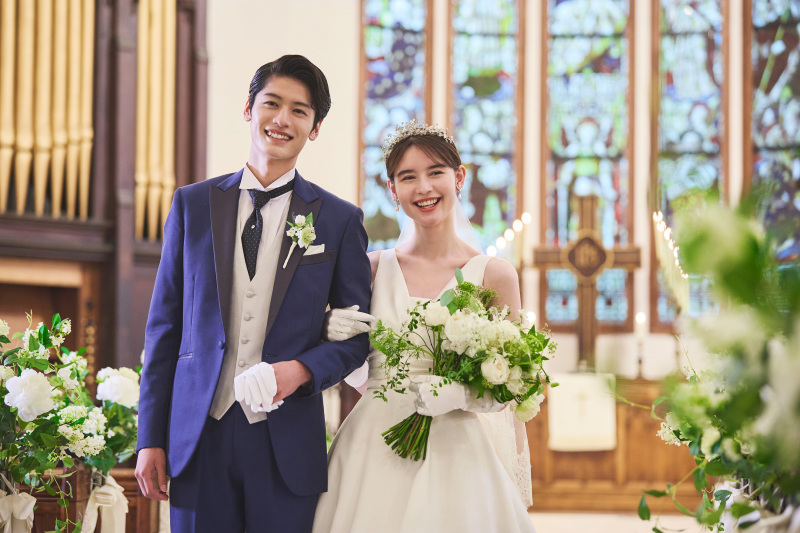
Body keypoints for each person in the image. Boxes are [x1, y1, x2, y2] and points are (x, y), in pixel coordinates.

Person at [134, 54, 372, 533]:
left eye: (299, 111)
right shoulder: (192, 205)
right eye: (272, 103)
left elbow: (356, 338)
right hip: (199, 435)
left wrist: (301, 370)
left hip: (286, 443)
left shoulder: (340, 220)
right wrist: (149, 438)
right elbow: (164, 329)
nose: (282, 119)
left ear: (315, 128)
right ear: (248, 109)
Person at [312, 120, 536, 533]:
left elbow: (515, 381)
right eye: (408, 177)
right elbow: (341, 354)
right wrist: (324, 325)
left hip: (459, 449)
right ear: (392, 189)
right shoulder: (371, 268)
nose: (424, 187)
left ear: (459, 177)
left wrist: (461, 393)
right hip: (372, 443)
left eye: (436, 172)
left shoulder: (494, 274)